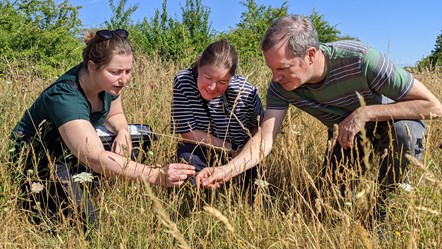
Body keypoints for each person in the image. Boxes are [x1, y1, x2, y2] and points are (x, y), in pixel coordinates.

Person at [196, 15, 442, 217]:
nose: (275, 78)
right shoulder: (280, 87)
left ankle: (383, 213)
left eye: (283, 68)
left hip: (393, 124)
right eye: (272, 69)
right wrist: (226, 170)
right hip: (347, 138)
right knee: (325, 206)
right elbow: (265, 137)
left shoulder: (362, 60)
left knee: (404, 135)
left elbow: (434, 106)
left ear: (311, 54)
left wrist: (365, 113)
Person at [10, 29, 195, 226]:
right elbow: (95, 157)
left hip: (70, 150)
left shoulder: (108, 85)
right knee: (88, 223)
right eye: (115, 72)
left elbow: (115, 114)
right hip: (38, 160)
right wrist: (156, 175)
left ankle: (95, 184)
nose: (124, 79)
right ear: (92, 66)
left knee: (139, 141)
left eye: (128, 71)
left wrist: (123, 131)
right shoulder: (65, 97)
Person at [170, 39, 264, 196]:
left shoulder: (246, 92)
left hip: (241, 156)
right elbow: (188, 133)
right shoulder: (183, 81)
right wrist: (230, 148)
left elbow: (261, 129)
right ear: (199, 67)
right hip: (205, 150)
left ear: (231, 78)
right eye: (207, 77)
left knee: (252, 188)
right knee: (187, 157)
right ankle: (198, 198)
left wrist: (241, 155)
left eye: (222, 81)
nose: (212, 87)